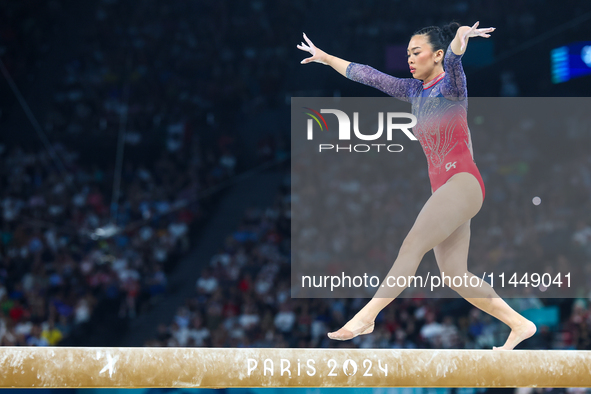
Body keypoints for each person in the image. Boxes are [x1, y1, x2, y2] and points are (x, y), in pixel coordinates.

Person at [297, 22, 537, 350]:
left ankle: (368, 315)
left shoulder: (451, 85)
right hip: (448, 191)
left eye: (416, 52)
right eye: (407, 53)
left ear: (436, 55)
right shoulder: (414, 91)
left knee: (411, 246)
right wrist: (327, 58)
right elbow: (368, 75)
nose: (409, 59)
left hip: (462, 181)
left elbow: (455, 59)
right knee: (455, 276)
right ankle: (519, 323)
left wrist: (461, 36)